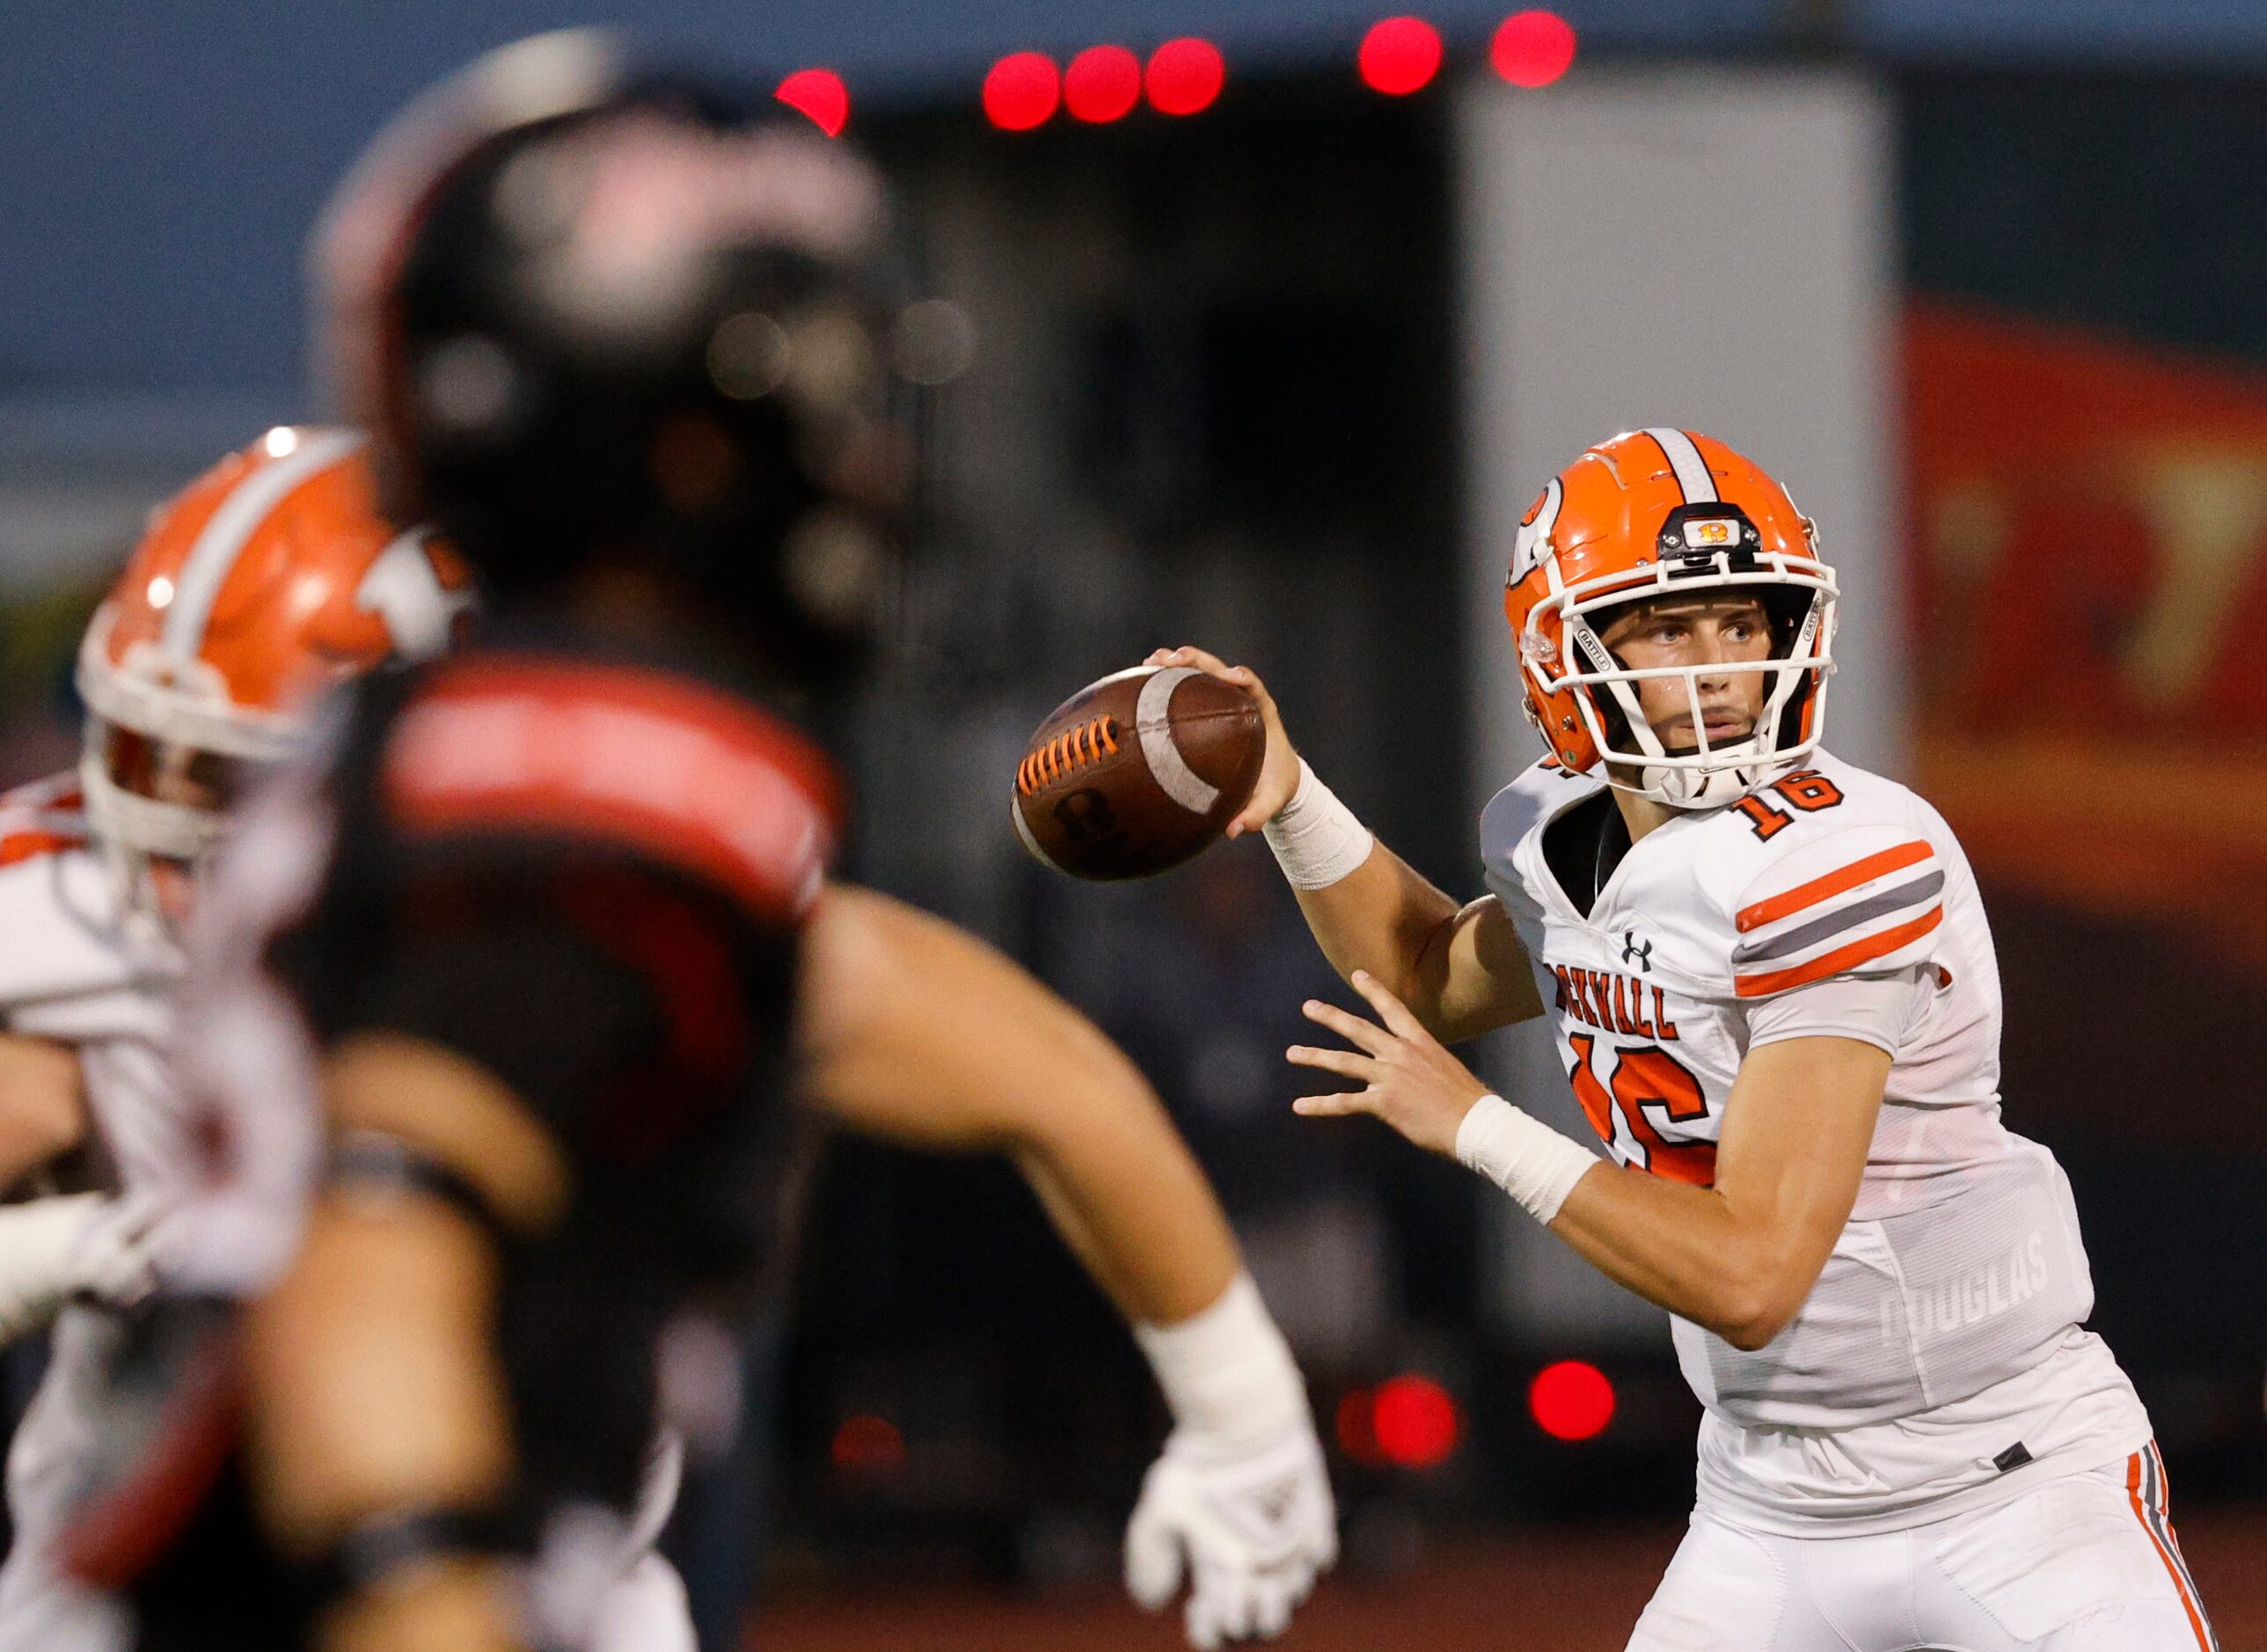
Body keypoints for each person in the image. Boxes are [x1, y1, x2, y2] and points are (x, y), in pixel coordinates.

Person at [94, 33, 1332, 1652]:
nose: (862, 450)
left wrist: (1239, 1408)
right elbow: (374, 1262)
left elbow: (1031, 1071)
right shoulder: (615, 775)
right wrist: (425, 1592)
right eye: (810, 383)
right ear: (660, 421)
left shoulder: (444, 768)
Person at [1153, 426, 2218, 1651]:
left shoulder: (1847, 857)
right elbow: (1423, 976)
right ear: (1566, 650)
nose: (1716, 665)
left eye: (1742, 620)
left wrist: (1475, 1125)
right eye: (1667, 627)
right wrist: (1290, 794)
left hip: (2007, 1478)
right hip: (1764, 1499)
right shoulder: (1559, 827)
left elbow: (1752, 1275)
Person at [0, 428, 472, 1652]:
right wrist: (61, 1249)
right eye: (156, 753)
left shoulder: (627, 918)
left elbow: (1041, 1084)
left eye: (222, 778)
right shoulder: (71, 915)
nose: (162, 821)